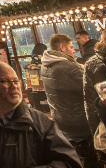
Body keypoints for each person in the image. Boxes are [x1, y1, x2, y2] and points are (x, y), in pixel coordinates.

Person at [0, 63, 81, 168]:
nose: (14, 86)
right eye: (6, 82)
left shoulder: (39, 121)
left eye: (16, 81)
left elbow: (69, 162)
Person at [41, 35, 98, 167]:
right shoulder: (67, 66)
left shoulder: (45, 65)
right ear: (62, 47)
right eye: (71, 47)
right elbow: (91, 88)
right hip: (80, 122)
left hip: (62, 120)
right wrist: (84, 70)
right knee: (91, 160)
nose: (74, 51)